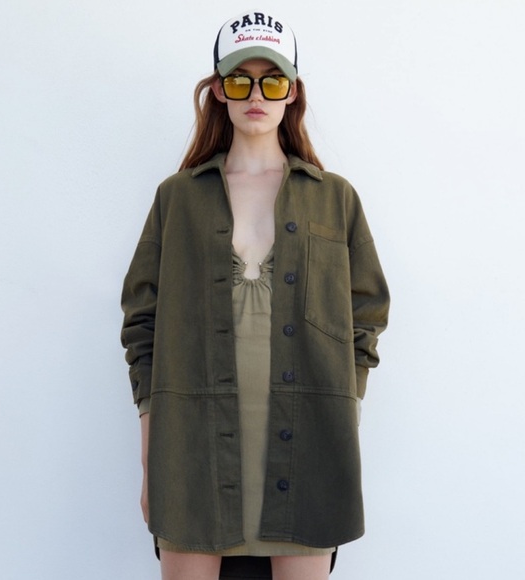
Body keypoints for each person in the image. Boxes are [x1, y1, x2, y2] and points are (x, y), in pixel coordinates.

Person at [120, 9, 390, 580]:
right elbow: (142, 328)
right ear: (219, 91)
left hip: (311, 452)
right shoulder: (177, 199)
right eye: (240, 82)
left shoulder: (334, 199)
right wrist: (151, 461)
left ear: (293, 92)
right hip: (189, 456)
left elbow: (365, 316)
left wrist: (341, 406)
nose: (256, 96)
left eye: (273, 81)